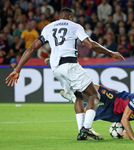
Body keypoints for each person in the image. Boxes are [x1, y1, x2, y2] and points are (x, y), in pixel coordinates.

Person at [5, 7, 125, 141]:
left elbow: (32, 48)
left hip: (56, 69)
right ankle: (87, 128)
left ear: (59, 17)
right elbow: (90, 45)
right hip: (70, 65)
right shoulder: (75, 26)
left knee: (79, 96)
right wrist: (111, 52)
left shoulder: (48, 28)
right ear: (70, 17)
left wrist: (17, 69)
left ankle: (81, 132)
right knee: (94, 95)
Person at [60, 84, 134, 140]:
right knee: (93, 88)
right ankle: (68, 80)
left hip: (115, 113)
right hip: (115, 98)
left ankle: (74, 99)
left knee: (87, 113)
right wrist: (133, 138)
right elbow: (125, 119)